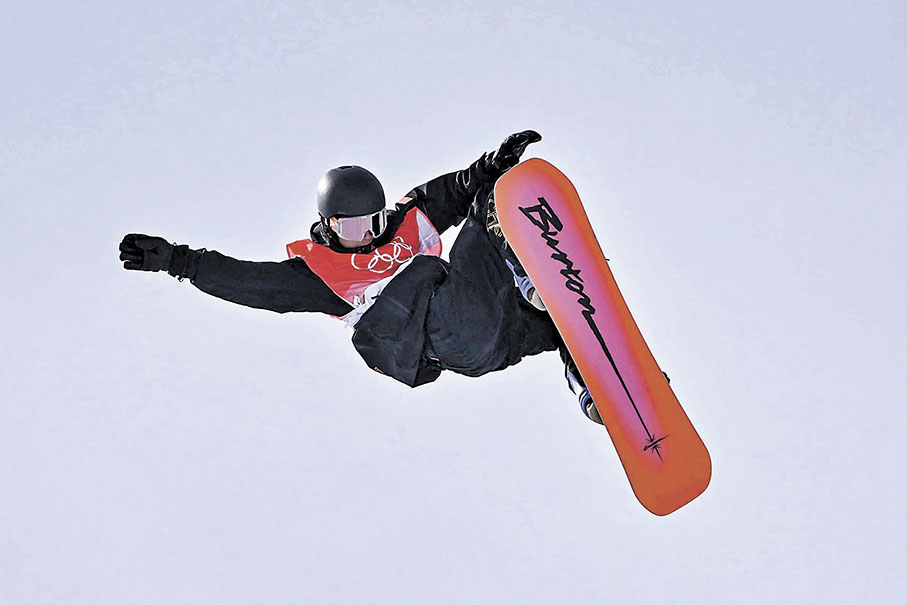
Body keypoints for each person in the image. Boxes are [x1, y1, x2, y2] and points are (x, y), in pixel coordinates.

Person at [119, 131, 603, 424]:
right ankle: (527, 282)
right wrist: (178, 261)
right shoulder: (319, 274)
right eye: (352, 228)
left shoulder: (408, 222)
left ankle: (591, 389)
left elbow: (455, 189)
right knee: (487, 211)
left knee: (565, 323)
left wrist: (493, 164)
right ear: (328, 225)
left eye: (372, 222)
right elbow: (249, 283)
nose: (366, 236)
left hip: (489, 343)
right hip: (440, 332)